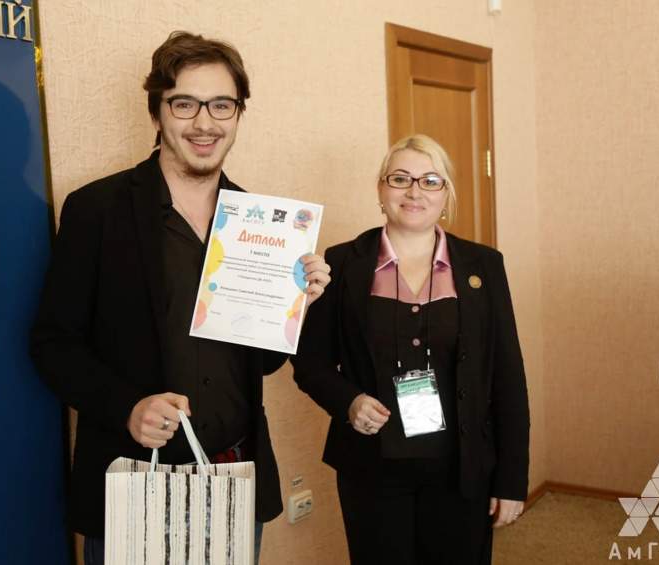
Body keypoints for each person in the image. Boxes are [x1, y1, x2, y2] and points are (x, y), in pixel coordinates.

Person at [30, 31, 331, 565]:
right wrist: (126, 407)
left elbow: (261, 364)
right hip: (134, 483)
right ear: (157, 111)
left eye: (221, 105)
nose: (204, 123)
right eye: (184, 103)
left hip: (233, 480)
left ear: (238, 114)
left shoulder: (262, 224)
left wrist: (294, 306)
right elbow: (53, 344)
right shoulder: (97, 210)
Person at [291, 134, 529, 564]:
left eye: (430, 180)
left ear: (446, 194)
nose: (415, 191)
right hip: (372, 469)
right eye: (400, 178)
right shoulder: (342, 262)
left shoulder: (484, 265)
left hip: (462, 470)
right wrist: (349, 401)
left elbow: (508, 377)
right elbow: (310, 363)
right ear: (381, 190)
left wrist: (511, 480)